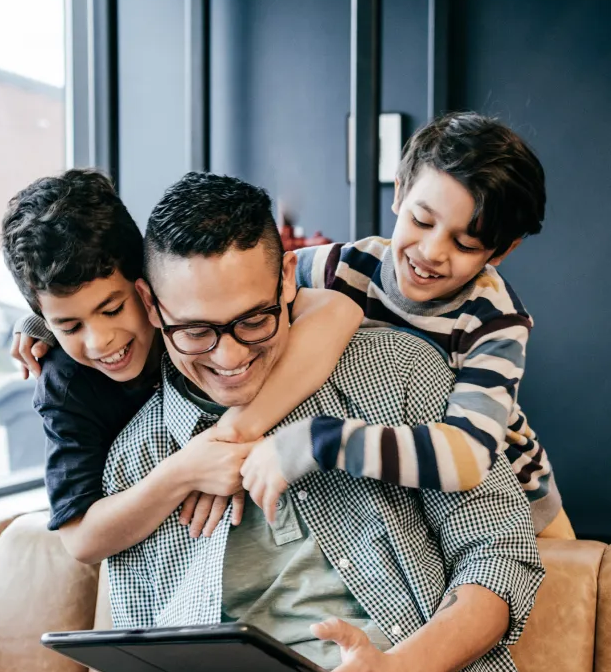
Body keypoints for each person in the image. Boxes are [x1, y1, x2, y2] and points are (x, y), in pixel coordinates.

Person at [0, 173, 547, 672]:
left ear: (289, 291)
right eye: (196, 330)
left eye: (253, 322)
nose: (229, 356)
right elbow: (150, 635)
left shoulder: (401, 372)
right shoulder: (141, 459)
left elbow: (502, 554)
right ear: (152, 305)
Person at [1, 169, 362, 563]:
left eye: (113, 309)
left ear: (146, 285)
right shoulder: (65, 383)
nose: (99, 340)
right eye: (70, 326)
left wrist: (234, 431)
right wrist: (184, 472)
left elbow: (337, 308)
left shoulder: (200, 291)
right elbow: (80, 538)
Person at [242, 112, 575, 538]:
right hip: (396, 500)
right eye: (421, 220)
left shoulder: (495, 319)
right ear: (399, 193)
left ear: (501, 250)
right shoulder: (339, 269)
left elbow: (469, 457)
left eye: (465, 243)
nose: (432, 252)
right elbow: (249, 295)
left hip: (513, 500)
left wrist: (319, 440)